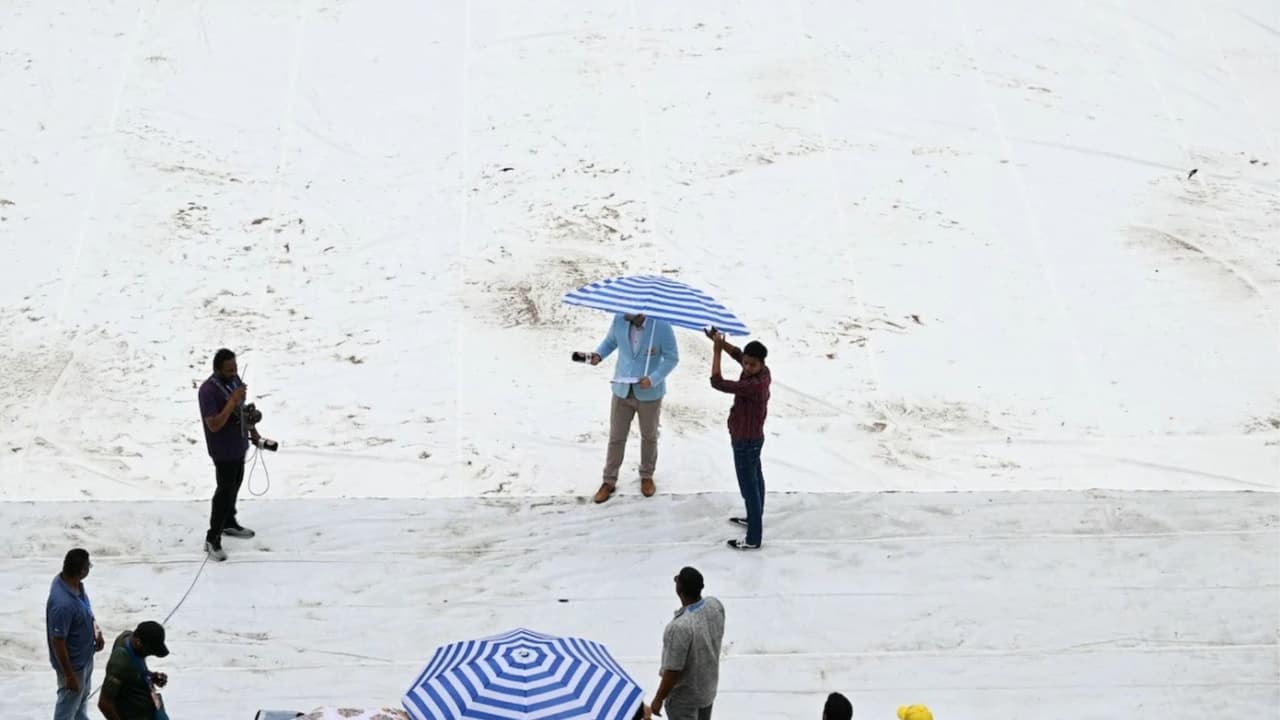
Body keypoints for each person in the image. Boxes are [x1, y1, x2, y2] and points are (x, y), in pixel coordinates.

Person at [586, 312, 680, 503]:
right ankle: (609, 480)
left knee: (649, 436)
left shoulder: (661, 326)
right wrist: (598, 355)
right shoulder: (620, 319)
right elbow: (611, 341)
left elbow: (672, 358)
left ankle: (647, 476)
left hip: (649, 394)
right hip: (621, 390)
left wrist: (654, 378)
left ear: (640, 308)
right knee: (616, 437)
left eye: (627, 307)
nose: (622, 310)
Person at [706, 330, 771, 550]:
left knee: (749, 487)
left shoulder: (754, 385)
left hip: (746, 441)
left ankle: (753, 537)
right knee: (756, 479)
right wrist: (720, 342)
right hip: (752, 437)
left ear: (761, 363)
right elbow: (737, 353)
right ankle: (755, 519)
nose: (746, 367)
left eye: (751, 365)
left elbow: (717, 382)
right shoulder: (762, 372)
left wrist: (715, 352)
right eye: (745, 363)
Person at [198, 348, 261, 561]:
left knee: (235, 484)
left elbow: (242, 409)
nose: (234, 373)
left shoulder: (234, 381)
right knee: (224, 490)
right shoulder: (208, 391)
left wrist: (252, 429)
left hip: (239, 444)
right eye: (229, 370)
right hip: (223, 449)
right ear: (217, 369)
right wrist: (232, 401)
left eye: (235, 368)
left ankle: (229, 522)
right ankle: (212, 537)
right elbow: (214, 424)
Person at [646, 567, 725, 720]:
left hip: (684, 700)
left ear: (679, 590)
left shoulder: (679, 628)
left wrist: (658, 699)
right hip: (708, 689)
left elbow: (672, 672)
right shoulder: (715, 605)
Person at [47, 548, 104, 720]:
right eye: (88, 566)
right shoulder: (62, 604)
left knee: (80, 704)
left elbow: (85, 609)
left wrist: (96, 631)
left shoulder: (74, 584)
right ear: (82, 571)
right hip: (73, 667)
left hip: (85, 659)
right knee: (66, 710)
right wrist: (69, 676)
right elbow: (58, 642)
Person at [99, 621, 171, 720]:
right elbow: (105, 703)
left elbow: (131, 673)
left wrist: (151, 676)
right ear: (138, 642)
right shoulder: (119, 663)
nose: (149, 655)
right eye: (149, 652)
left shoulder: (128, 637)